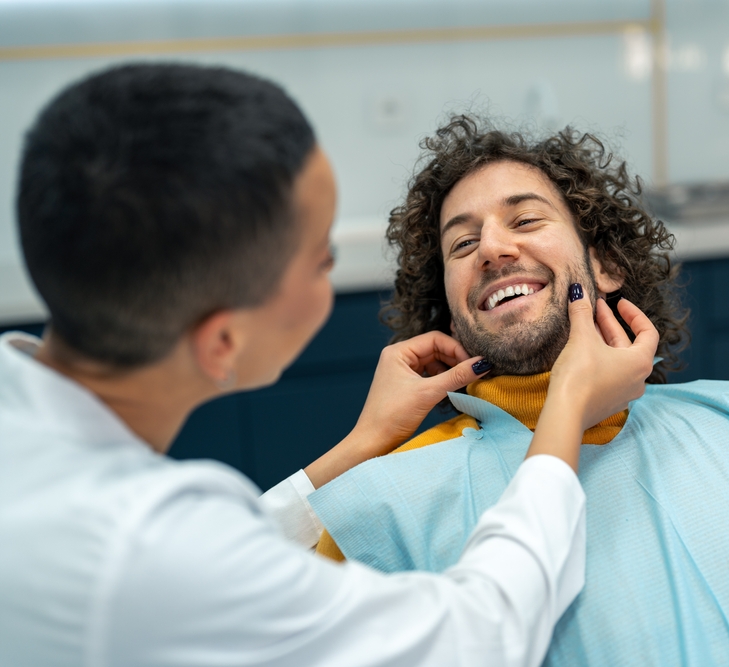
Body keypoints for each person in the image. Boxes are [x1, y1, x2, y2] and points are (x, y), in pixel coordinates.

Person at [0, 65, 660, 666]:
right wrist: (568, 405)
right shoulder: (142, 546)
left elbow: (202, 565)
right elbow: (480, 634)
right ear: (223, 342)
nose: (491, 249)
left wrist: (360, 444)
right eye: (321, 259)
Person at [311, 115, 729, 666]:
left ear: (605, 265)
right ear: (450, 309)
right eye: (462, 245)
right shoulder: (382, 510)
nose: (492, 247)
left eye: (525, 220)